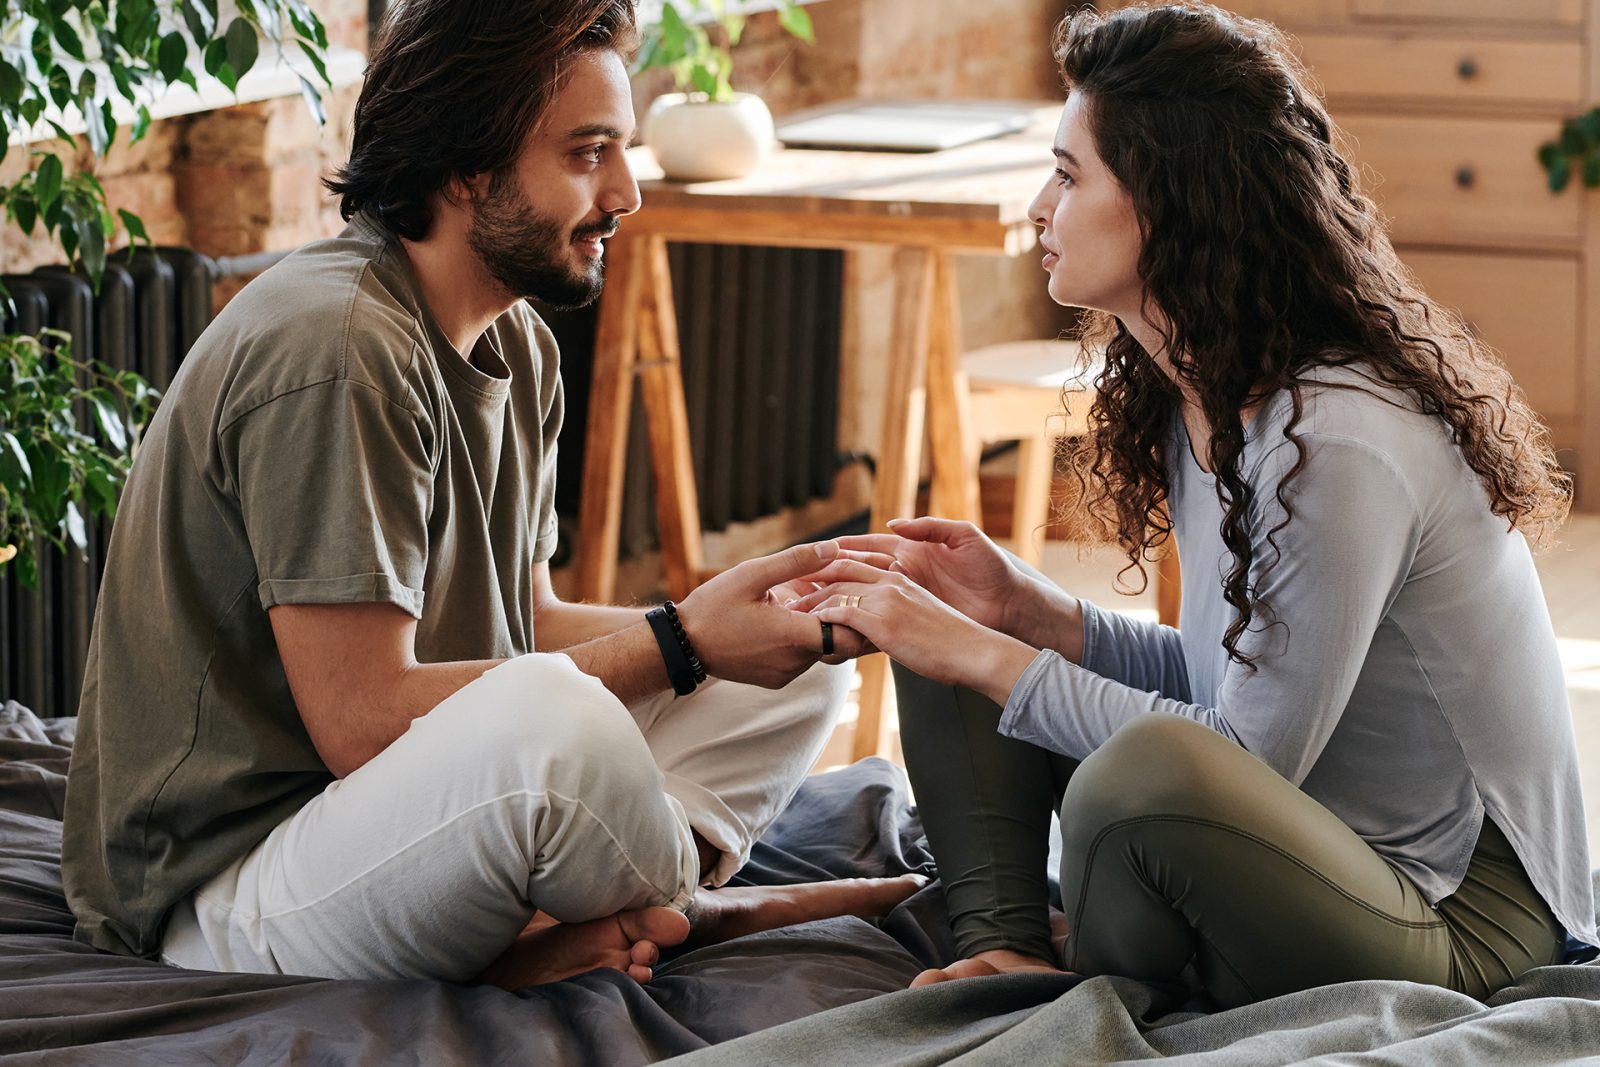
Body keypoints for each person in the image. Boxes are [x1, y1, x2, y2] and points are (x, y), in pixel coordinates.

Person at [61, 0, 921, 989]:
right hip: (226, 886)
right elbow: (364, 719)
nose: (627, 192)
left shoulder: (517, 342)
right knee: (559, 717)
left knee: (801, 657)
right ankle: (691, 908)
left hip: (390, 820)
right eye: (588, 152)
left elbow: (530, 618)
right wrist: (682, 640)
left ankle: (621, 916)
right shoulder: (339, 346)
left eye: (622, 150)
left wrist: (741, 624)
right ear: (467, 167)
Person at [789, 1, 1596, 1008]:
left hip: (1455, 916)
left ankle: (1078, 948)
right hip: (1315, 846)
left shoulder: (1333, 435)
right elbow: (1241, 693)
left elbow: (1240, 756)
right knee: (950, 613)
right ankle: (1006, 948)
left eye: (1070, 174)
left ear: (1170, 201)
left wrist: (995, 656)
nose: (1040, 205)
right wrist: (1026, 617)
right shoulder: (1205, 392)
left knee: (1127, 763)